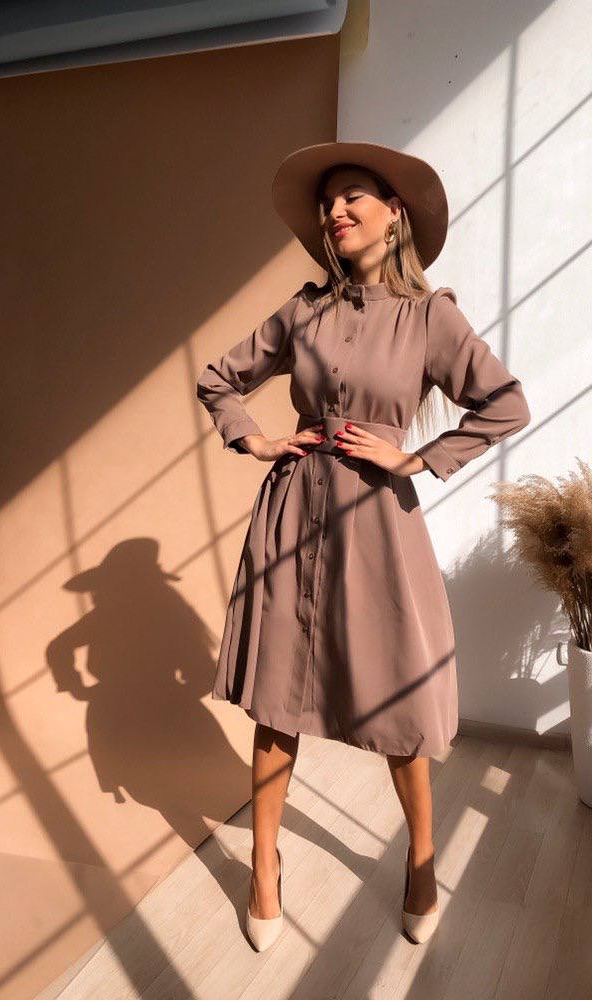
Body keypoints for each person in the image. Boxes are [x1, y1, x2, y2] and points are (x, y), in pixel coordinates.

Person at [196, 140, 531, 950]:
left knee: (398, 700)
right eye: (329, 204)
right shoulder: (300, 311)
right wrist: (254, 440)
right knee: (275, 699)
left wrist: (415, 456)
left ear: (395, 215)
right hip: (289, 516)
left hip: (376, 523)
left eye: (353, 197)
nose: (335, 213)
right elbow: (218, 377)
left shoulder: (428, 318)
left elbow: (504, 404)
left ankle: (420, 861)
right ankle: (265, 865)